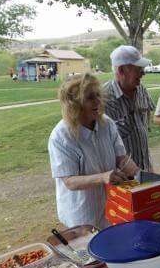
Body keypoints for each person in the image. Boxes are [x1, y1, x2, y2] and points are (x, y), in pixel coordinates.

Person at [48, 73, 139, 229]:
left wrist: (140, 174)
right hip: (81, 213)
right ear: (74, 103)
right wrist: (102, 177)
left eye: (98, 95)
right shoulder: (61, 136)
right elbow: (69, 181)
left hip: (111, 205)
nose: (98, 101)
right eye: (90, 97)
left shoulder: (107, 124)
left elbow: (121, 158)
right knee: (88, 251)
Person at [103, 45, 155, 172]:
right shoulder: (103, 98)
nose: (143, 73)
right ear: (121, 71)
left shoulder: (141, 89)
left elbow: (145, 123)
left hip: (145, 169)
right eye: (139, 69)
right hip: (121, 176)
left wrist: (149, 167)